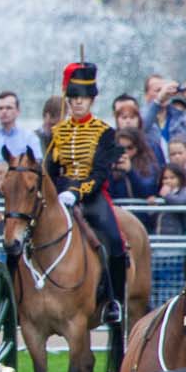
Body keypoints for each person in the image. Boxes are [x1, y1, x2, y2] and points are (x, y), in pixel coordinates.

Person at [45, 62, 129, 321]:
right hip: (60, 195)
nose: (77, 103)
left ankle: (114, 301)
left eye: (82, 99)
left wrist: (77, 193)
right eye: (73, 99)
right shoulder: (58, 132)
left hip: (92, 196)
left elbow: (100, 172)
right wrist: (55, 192)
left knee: (115, 242)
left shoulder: (104, 132)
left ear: (91, 100)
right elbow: (50, 168)